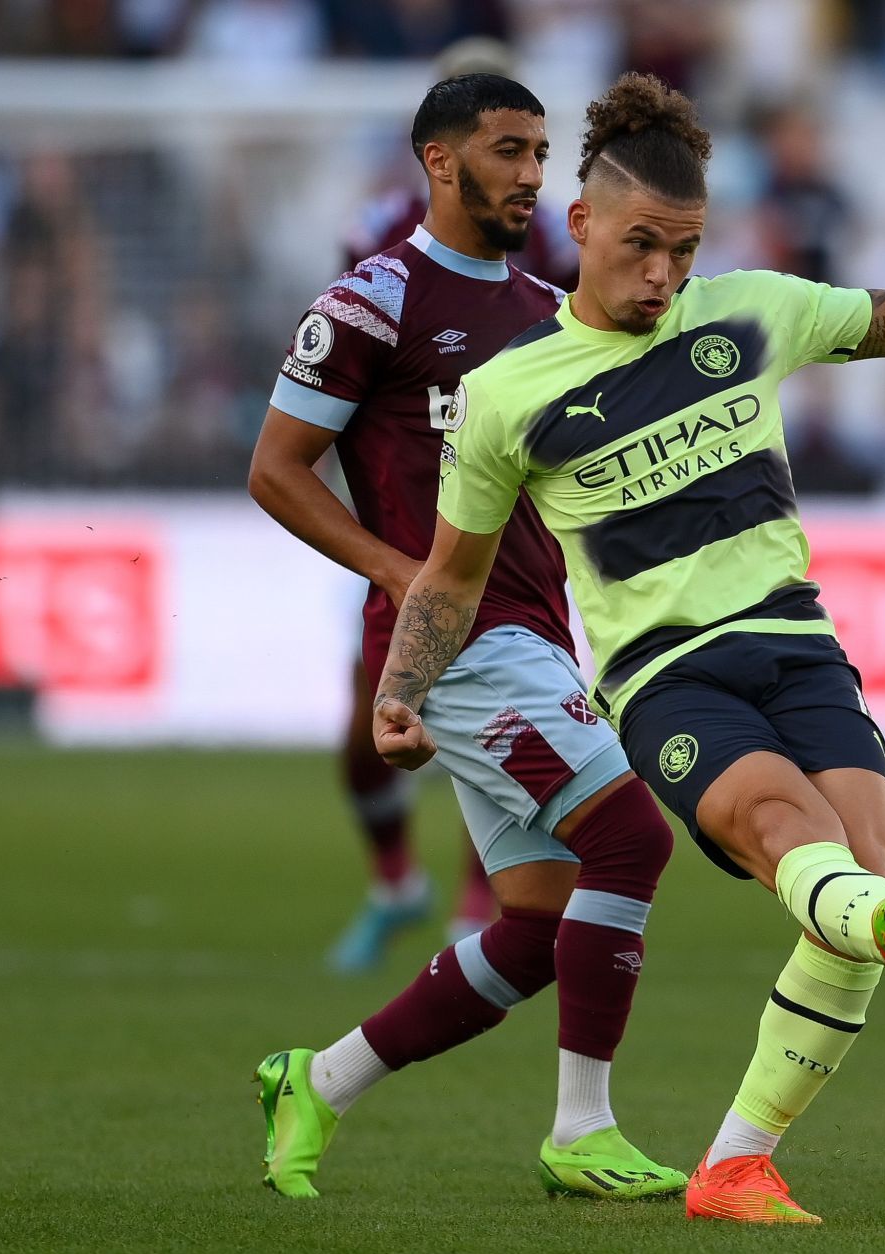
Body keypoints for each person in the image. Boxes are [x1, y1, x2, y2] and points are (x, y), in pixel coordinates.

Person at [370, 73, 885, 1223]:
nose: (664, 276)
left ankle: (737, 1160)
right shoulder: (506, 394)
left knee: (858, 873)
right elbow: (448, 575)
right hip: (667, 677)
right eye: (643, 246)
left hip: (800, 645)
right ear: (582, 224)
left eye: (684, 252)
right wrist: (403, 689)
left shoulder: (751, 310)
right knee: (799, 843)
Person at [247, 74, 683, 1202]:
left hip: (538, 634)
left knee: (536, 924)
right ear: (441, 162)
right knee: (630, 838)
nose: (531, 174)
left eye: (542, 152)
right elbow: (276, 469)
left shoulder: (548, 310)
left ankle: (317, 1079)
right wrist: (402, 572)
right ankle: (582, 1130)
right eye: (508, 150)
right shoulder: (372, 299)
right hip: (458, 644)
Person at [324, 39, 532, 974]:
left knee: (495, 739)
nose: (521, 170)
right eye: (501, 145)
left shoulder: (542, 243)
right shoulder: (382, 237)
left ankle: (476, 900)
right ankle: (395, 882)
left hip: (508, 536)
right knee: (365, 724)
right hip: (398, 520)